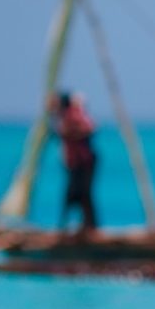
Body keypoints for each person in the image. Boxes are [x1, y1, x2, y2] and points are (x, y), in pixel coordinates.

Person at [50, 90, 98, 231]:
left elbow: (89, 128)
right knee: (73, 193)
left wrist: (69, 133)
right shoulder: (62, 116)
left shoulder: (73, 114)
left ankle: (87, 226)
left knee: (82, 193)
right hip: (74, 161)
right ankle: (69, 225)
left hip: (83, 161)